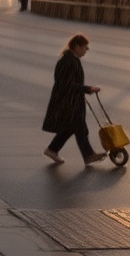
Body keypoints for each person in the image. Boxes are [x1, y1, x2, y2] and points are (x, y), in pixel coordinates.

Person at [41, 33, 106, 166]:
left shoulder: (72, 59)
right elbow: (65, 84)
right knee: (80, 128)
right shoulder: (67, 61)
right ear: (77, 46)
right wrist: (87, 89)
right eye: (84, 48)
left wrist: (86, 89)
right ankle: (88, 156)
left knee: (71, 127)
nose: (86, 51)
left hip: (72, 101)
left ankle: (52, 149)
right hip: (67, 102)